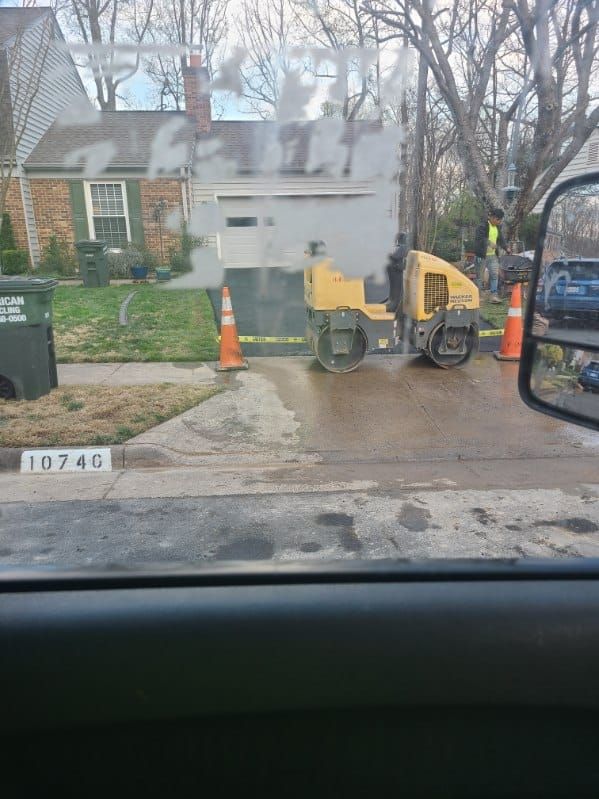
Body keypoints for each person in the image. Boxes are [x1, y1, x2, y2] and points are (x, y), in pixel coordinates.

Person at [474, 208, 511, 303]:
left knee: (494, 275)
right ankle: (478, 295)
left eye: (500, 220)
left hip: (492, 256)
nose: (500, 222)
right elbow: (480, 238)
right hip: (481, 256)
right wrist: (490, 243)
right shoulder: (482, 226)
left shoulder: (497, 228)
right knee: (480, 276)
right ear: (493, 218)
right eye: (499, 220)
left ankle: (493, 296)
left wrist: (506, 248)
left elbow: (501, 239)